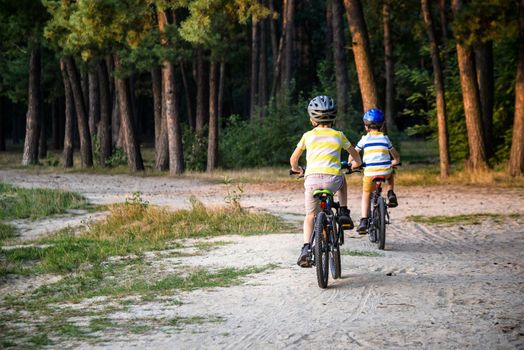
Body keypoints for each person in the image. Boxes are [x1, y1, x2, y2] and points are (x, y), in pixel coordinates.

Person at [290, 95, 362, 267]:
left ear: (312, 119)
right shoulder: (339, 135)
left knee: (310, 216)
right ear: (334, 117)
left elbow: (293, 159)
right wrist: (355, 164)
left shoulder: (307, 136)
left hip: (312, 179)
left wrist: (298, 170)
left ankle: (306, 248)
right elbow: (355, 156)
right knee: (343, 179)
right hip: (333, 179)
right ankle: (343, 211)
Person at [353, 108, 401, 234]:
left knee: (366, 194)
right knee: (391, 173)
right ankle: (390, 192)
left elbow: (354, 153)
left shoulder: (364, 139)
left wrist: (352, 164)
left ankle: (364, 220)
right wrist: (395, 161)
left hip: (369, 173)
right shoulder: (385, 139)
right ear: (382, 125)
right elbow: (395, 155)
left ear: (366, 126)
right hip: (384, 171)